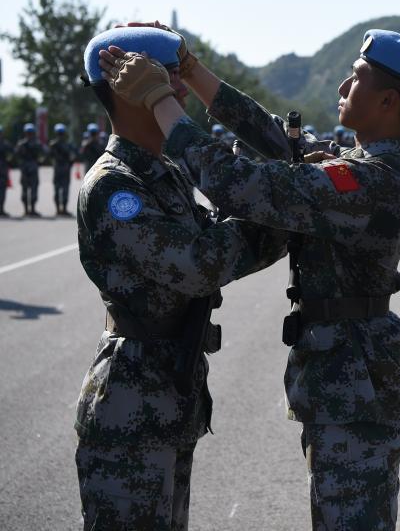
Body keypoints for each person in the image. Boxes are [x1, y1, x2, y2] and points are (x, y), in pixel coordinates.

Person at [99, 25, 400, 530]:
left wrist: (160, 100)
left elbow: (237, 184)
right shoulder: (357, 165)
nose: (342, 88)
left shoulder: (369, 180)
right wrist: (192, 71)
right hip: (349, 376)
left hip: (357, 383)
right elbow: (271, 135)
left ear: (389, 100)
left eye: (355, 79)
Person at [74, 26, 287, 530]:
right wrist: (283, 214)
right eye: (168, 78)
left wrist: (280, 205)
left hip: (169, 394)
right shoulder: (114, 187)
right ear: (128, 88)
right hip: (130, 407)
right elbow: (200, 263)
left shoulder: (162, 172)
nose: (181, 90)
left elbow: (217, 235)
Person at [14, 123, 45, 217]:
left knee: (26, 189)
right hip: (33, 167)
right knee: (32, 189)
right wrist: (40, 161)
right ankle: (31, 210)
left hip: (25, 167)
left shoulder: (21, 143)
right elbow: (45, 153)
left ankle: (27, 210)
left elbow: (15, 154)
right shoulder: (37, 143)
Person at [49, 123, 77, 215]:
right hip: (65, 168)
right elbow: (75, 156)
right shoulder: (67, 145)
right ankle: (63, 210)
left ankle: (59, 210)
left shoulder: (53, 144)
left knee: (58, 189)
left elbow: (49, 155)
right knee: (64, 189)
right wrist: (70, 163)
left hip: (58, 168)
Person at [0, 126, 11, 217]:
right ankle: (1, 209)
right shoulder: (5, 144)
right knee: (2, 190)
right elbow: (13, 154)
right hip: (2, 168)